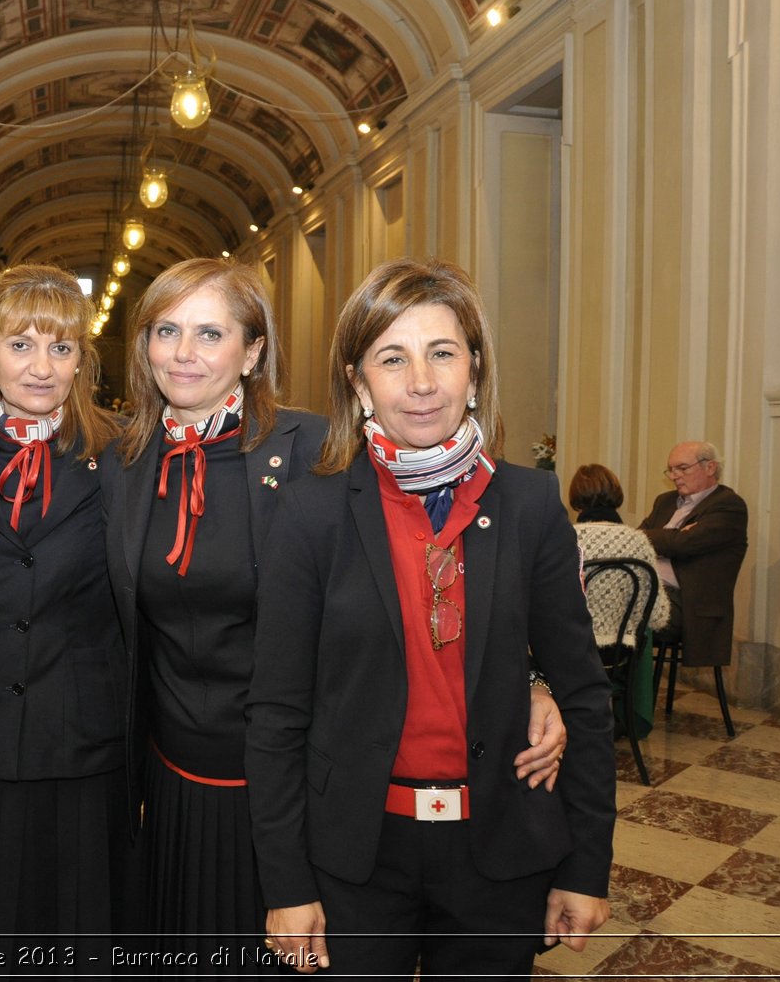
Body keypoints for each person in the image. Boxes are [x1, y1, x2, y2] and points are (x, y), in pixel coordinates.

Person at [102, 257, 570, 966]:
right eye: (167, 329)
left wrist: (536, 681)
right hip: (175, 778)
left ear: (253, 349)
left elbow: (440, 562)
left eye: (209, 331)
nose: (185, 351)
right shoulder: (122, 458)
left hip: (301, 783)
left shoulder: (316, 449)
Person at [247, 258, 613, 978]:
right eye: (393, 358)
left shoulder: (531, 505)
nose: (421, 381)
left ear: (473, 370)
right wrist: (286, 884)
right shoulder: (311, 513)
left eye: (442, 353)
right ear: (358, 382)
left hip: (499, 852)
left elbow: (585, 695)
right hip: (356, 855)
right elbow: (277, 713)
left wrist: (586, 864)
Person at [0, 264, 127, 939]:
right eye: (21, 344)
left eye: (61, 347)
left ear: (81, 360)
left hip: (81, 752)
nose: (41, 367)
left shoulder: (124, 456)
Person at [638, 441, 749, 669]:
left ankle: (627, 698)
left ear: (710, 467)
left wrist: (670, 538)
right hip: (650, 587)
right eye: (671, 470)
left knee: (616, 615)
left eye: (682, 468)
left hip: (685, 605)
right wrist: (673, 536)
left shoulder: (728, 506)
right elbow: (637, 538)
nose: (674, 476)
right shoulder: (665, 501)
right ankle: (612, 693)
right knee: (596, 605)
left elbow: (682, 545)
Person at [569, 463, 669, 648]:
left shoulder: (566, 538)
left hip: (570, 650)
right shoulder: (639, 541)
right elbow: (658, 617)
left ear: (575, 498)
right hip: (621, 653)